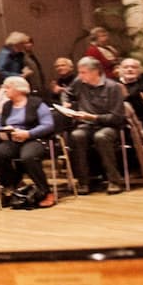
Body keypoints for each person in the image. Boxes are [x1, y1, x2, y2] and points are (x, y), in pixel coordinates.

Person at [59, 57, 129, 194]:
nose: (80, 75)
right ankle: (84, 181)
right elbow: (66, 93)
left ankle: (114, 180)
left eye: (83, 72)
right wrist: (65, 103)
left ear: (95, 72)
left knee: (101, 137)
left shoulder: (113, 87)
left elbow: (117, 117)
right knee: (76, 135)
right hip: (86, 123)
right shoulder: (80, 82)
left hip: (109, 125)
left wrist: (93, 117)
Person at [0, 76, 58, 208]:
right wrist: (5, 130)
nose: (4, 90)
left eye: (7, 87)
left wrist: (28, 133)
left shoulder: (37, 104)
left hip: (34, 138)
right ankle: (14, 184)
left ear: (18, 89)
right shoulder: (7, 106)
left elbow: (48, 125)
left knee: (28, 156)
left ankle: (45, 191)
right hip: (13, 139)